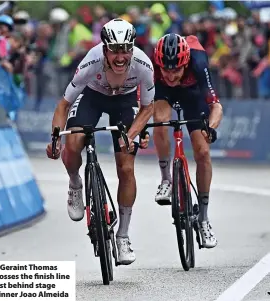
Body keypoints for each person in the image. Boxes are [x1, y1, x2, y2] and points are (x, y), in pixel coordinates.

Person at [46, 18, 154, 265]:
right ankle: (75, 184)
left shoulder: (143, 65)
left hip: (125, 101)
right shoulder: (91, 61)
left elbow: (148, 108)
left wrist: (132, 134)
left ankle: (123, 236)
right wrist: (55, 138)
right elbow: (64, 104)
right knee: (73, 144)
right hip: (92, 96)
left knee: (126, 167)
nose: (120, 57)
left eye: (125, 49)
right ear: (104, 48)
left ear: (132, 48)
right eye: (114, 49)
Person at [152, 33, 223, 248]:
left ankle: (203, 218)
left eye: (176, 70)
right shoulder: (153, 65)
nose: (171, 75)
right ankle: (166, 179)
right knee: (160, 120)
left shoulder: (198, 62)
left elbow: (216, 106)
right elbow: (144, 104)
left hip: (193, 95)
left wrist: (210, 127)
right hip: (164, 94)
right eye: (166, 70)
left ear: (185, 63)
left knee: (202, 152)